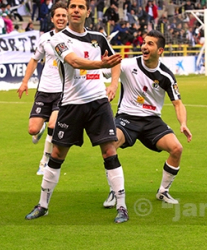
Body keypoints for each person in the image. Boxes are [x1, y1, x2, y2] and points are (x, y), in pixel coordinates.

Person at [25, 0, 129, 224]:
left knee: (109, 152)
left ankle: (122, 206)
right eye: (73, 6)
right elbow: (73, 61)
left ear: (87, 12)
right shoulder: (58, 39)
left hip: (98, 103)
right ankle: (42, 205)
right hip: (71, 105)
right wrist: (100, 66)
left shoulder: (99, 38)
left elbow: (116, 61)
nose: (75, 10)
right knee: (56, 155)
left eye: (80, 7)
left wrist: (113, 85)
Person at [102, 30, 192, 208]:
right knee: (110, 145)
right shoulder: (128, 64)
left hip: (152, 121)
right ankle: (114, 190)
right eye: (144, 42)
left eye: (150, 43)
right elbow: (108, 71)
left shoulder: (165, 75)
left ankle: (163, 191)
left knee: (177, 149)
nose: (144, 46)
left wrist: (183, 123)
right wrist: (108, 73)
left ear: (160, 51)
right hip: (127, 117)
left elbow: (178, 103)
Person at [17, 2, 68, 175]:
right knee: (33, 129)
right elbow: (34, 60)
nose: (61, 18)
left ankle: (44, 161)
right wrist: (25, 82)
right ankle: (40, 130)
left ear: (68, 19)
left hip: (63, 91)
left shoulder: (73, 39)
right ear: (52, 18)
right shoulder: (45, 38)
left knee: (54, 124)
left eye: (64, 16)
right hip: (44, 89)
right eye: (58, 15)